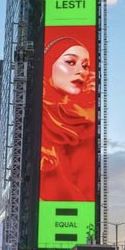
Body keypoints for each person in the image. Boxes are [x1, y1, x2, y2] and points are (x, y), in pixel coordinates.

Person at [40, 36, 96, 202]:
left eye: (85, 66)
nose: (81, 71)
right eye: (70, 62)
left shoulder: (87, 124)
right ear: (49, 64)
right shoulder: (40, 117)